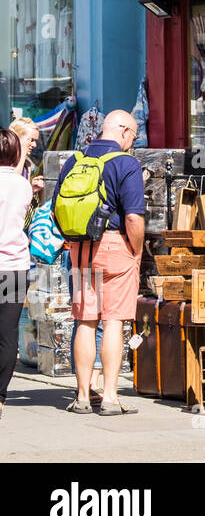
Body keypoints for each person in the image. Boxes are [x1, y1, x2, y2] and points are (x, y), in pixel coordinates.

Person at [52, 110, 145, 416]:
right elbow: (133, 216)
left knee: (85, 322)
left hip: (79, 250)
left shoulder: (75, 161)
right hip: (117, 246)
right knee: (114, 321)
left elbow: (56, 209)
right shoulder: (126, 163)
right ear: (124, 132)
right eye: (133, 135)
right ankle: (108, 397)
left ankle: (81, 396)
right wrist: (136, 250)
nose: (132, 142)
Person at [0, 128, 34, 419]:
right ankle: (0, 396)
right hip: (14, 268)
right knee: (7, 333)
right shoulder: (23, 186)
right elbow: (24, 218)